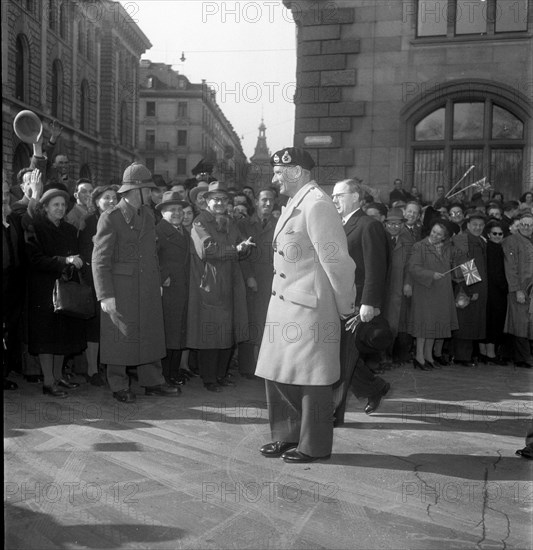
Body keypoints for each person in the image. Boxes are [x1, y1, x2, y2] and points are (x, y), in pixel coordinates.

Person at [256, 147, 355, 463]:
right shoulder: (295, 203)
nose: (274, 180)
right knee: (279, 373)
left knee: (313, 379)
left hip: (310, 307)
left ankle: (314, 445)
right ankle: (286, 435)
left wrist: (346, 307)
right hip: (285, 303)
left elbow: (336, 261)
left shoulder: (317, 206)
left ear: (296, 171)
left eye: (278, 173)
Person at [92, 162, 179, 403]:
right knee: (120, 336)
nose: (151, 195)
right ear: (135, 191)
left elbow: (152, 252)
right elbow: (99, 259)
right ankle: (119, 384)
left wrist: (157, 281)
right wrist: (105, 295)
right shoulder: (110, 217)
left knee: (150, 333)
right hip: (121, 289)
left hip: (148, 285)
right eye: (148, 190)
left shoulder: (148, 215)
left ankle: (152, 381)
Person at [331, 179, 390, 424]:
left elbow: (376, 267)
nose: (334, 200)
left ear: (355, 196)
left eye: (339, 195)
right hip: (337, 299)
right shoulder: (337, 225)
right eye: (332, 196)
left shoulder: (369, 225)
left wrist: (369, 302)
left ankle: (333, 413)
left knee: (343, 357)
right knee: (341, 355)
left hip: (357, 303)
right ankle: (374, 387)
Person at [186, 181, 253, 392]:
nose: (219, 203)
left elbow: (243, 244)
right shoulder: (199, 223)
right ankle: (209, 378)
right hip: (211, 282)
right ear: (206, 201)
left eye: (224, 200)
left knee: (228, 330)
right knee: (211, 331)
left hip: (231, 280)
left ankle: (221, 374)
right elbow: (208, 250)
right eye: (215, 199)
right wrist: (237, 249)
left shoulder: (230, 221)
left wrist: (246, 248)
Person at [24, 188, 87, 397]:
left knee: (62, 333)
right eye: (55, 205)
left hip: (65, 288)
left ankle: (59, 376)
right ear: (45, 207)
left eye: (62, 205)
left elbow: (75, 255)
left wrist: (76, 262)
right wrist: (65, 261)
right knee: (46, 335)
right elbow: (34, 259)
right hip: (43, 289)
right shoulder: (36, 228)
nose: (60, 208)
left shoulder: (69, 229)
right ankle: (48, 382)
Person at [78, 185, 118, 386]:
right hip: (95, 280)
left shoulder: (119, 219)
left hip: (117, 279)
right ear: (96, 202)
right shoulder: (89, 221)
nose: (111, 201)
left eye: (114, 197)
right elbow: (86, 253)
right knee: (94, 327)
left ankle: (109, 366)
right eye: (106, 198)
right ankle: (92, 370)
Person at [236, 188, 277, 378]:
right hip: (250, 279)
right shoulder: (244, 224)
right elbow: (241, 253)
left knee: (266, 322)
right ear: (256, 203)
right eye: (264, 200)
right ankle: (246, 366)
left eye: (271, 201)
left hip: (270, 279)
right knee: (249, 321)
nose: (268, 204)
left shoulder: (278, 224)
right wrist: (249, 276)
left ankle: (263, 366)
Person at [408, 219, 459, 370]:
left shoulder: (447, 249)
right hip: (425, 290)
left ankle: (428, 356)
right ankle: (419, 356)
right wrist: (431, 274)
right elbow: (413, 268)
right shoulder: (419, 246)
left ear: (444, 237)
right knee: (424, 325)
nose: (435, 235)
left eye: (439, 234)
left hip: (442, 292)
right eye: (434, 232)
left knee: (434, 325)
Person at [155, 191, 191, 386]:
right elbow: (151, 257)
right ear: (162, 213)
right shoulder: (159, 231)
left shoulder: (183, 231)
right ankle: (165, 374)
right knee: (169, 333)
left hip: (182, 287)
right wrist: (162, 278)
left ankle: (174, 371)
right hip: (168, 290)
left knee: (179, 331)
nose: (177, 213)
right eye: (172, 210)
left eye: (180, 209)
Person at [452, 212, 488, 366]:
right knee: (464, 322)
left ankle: (468, 355)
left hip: (479, 287)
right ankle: (461, 357)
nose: (478, 227)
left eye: (480, 225)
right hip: (467, 286)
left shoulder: (480, 240)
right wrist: (471, 289)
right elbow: (463, 263)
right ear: (467, 225)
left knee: (473, 322)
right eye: (474, 225)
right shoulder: (462, 240)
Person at [502, 213, 533, 368]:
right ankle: (521, 358)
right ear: (518, 225)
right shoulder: (511, 241)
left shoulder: (530, 241)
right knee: (520, 323)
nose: (527, 228)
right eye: (524, 224)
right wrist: (517, 289)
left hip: (531, 289)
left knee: (527, 324)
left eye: (530, 225)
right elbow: (511, 267)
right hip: (519, 289)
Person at [479, 220, 508, 365]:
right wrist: (506, 287)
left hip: (489, 291)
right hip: (496, 292)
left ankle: (484, 353)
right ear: (489, 234)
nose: (497, 236)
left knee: (487, 321)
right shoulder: (495, 249)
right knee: (494, 322)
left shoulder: (488, 247)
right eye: (494, 233)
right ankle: (490, 354)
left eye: (500, 234)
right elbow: (497, 273)